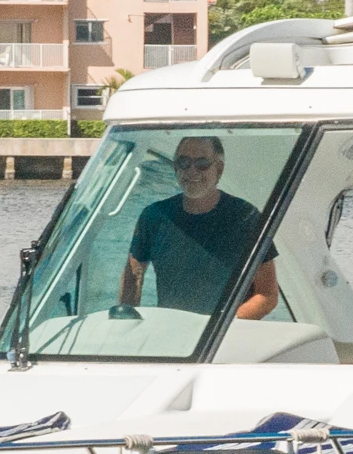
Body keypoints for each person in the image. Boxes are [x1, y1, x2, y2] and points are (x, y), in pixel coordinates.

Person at [118, 135, 280, 320]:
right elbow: (134, 276)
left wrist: (216, 329)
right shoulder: (154, 216)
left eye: (202, 164)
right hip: (172, 333)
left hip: (228, 336)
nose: (191, 171)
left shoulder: (247, 217)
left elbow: (267, 295)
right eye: (184, 162)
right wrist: (125, 323)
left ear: (218, 169)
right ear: (175, 167)